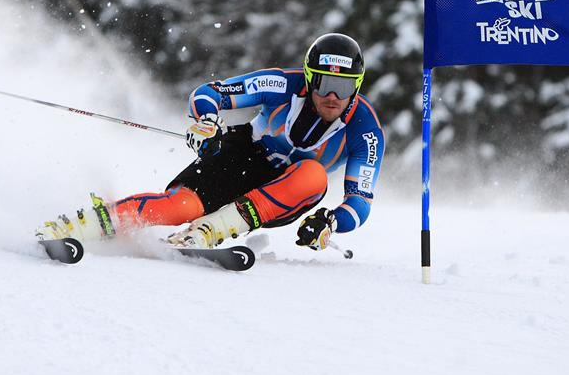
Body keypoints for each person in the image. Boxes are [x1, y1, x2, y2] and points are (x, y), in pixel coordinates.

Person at [108, 32, 385, 251]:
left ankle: (209, 231)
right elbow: (209, 93)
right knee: (181, 207)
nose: (333, 96)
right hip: (242, 157)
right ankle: (96, 221)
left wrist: (331, 222)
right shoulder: (283, 84)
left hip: (286, 193)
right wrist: (205, 122)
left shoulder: (366, 131)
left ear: (357, 85)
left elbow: (360, 201)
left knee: (314, 175)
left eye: (344, 86)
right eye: (325, 84)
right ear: (311, 78)